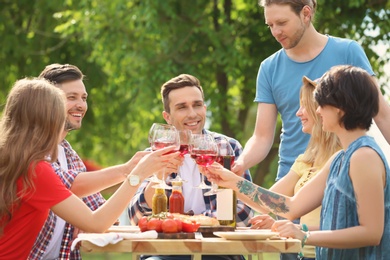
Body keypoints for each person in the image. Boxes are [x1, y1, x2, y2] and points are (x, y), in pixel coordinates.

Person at [203, 65, 390, 259]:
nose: (317, 111)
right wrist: (232, 181)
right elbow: (290, 207)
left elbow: (371, 233)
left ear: (339, 109)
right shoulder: (341, 158)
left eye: (321, 104)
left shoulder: (364, 156)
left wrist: (305, 235)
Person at [0, 78, 181, 259]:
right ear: (46, 121)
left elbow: (95, 212)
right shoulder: (35, 170)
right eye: (58, 118)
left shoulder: (12, 159)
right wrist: (138, 175)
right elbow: (96, 223)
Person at [233, 0, 390, 182]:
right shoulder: (269, 68)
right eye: (270, 25)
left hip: (343, 177)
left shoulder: (348, 52)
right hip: (292, 179)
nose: (275, 32)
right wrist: (240, 163)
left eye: (282, 23)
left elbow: (382, 115)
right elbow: (262, 137)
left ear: (306, 14)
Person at [28, 63, 148, 259]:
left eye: (83, 98)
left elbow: (100, 212)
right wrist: (130, 170)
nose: (81, 105)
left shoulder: (68, 153)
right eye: (71, 97)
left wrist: (87, 222)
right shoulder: (30, 151)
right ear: (47, 102)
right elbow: (70, 186)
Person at [128, 74, 254, 260]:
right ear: (167, 117)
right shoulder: (154, 154)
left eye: (197, 105)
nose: (192, 113)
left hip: (219, 249)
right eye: (182, 107)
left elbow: (245, 216)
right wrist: (159, 177)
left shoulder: (227, 147)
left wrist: (193, 223)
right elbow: (137, 220)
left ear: (204, 107)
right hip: (166, 250)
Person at [249, 76, 341, 259]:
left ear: (321, 110)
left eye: (304, 106)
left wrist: (299, 229)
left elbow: (349, 227)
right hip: (301, 254)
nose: (298, 113)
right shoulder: (307, 159)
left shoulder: (344, 158)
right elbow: (264, 202)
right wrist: (225, 179)